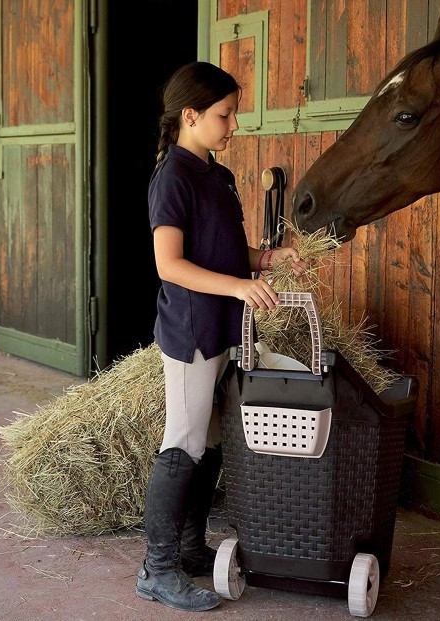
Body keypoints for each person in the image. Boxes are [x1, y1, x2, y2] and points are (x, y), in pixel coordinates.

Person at [136, 61, 308, 612]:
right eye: (225, 115)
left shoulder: (219, 175)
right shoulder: (173, 177)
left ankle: (188, 550)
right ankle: (155, 569)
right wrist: (237, 285)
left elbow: (228, 253)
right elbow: (170, 265)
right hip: (191, 330)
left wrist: (268, 260)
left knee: (209, 443)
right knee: (182, 444)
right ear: (190, 116)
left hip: (223, 328)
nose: (234, 125)